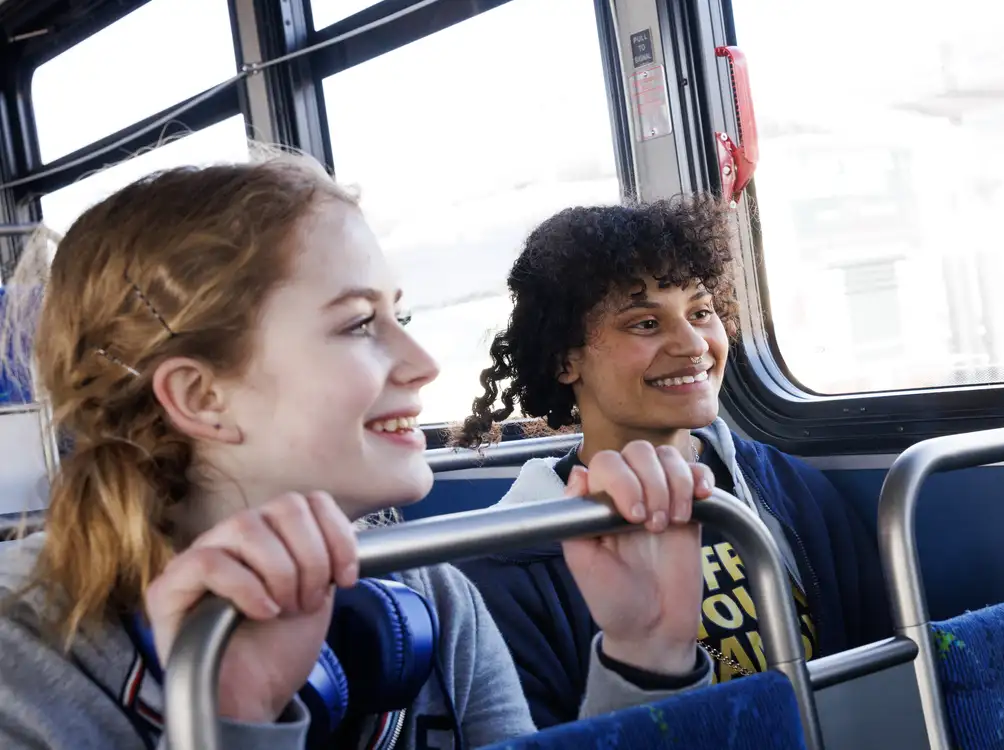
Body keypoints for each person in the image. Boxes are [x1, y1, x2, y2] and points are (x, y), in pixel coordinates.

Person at [0, 155, 719, 749]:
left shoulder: (427, 590)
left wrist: (646, 656)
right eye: (356, 325)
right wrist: (235, 724)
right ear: (199, 396)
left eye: (397, 314)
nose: (422, 363)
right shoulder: (23, 660)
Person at [449, 197, 891, 728]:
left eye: (701, 313)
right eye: (644, 324)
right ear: (565, 360)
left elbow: (881, 680)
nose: (692, 344)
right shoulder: (506, 569)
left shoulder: (790, 491)